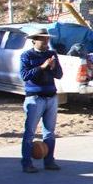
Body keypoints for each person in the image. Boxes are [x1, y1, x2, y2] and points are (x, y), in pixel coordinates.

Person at [19, 28, 63, 173]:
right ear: (34, 41)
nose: (45, 41)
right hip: (35, 97)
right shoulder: (27, 55)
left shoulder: (52, 54)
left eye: (47, 39)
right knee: (30, 132)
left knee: (50, 132)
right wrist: (42, 67)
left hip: (51, 96)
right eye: (42, 39)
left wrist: (53, 67)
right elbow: (25, 75)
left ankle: (49, 161)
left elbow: (59, 75)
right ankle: (27, 163)